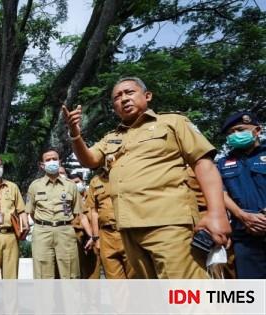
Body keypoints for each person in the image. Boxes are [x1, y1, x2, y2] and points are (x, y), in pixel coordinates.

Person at [62, 76, 231, 279]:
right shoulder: (111, 138)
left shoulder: (172, 123)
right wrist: (75, 134)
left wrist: (217, 214)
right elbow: (89, 160)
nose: (123, 99)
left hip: (168, 224)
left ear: (147, 96)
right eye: (117, 97)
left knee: (186, 299)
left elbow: (204, 165)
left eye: (129, 92)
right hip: (127, 230)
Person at [26, 148, 93, 279]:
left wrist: (91, 235)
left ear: (60, 162)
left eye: (54, 159)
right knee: (43, 274)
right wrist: (45, 223)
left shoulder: (70, 186)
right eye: (48, 160)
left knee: (70, 273)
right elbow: (32, 212)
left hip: (65, 231)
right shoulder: (35, 186)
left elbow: (79, 213)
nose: (52, 162)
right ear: (42, 165)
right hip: (42, 232)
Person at [217, 112, 266, 278]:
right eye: (230, 133)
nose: (234, 135)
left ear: (257, 130)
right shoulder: (222, 163)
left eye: (240, 129)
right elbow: (221, 194)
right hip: (245, 236)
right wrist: (243, 216)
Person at [86, 168, 134, 279]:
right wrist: (96, 238)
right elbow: (94, 211)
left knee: (135, 277)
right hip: (106, 235)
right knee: (114, 280)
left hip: (127, 233)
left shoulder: (130, 174)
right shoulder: (95, 181)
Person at [68, 172, 101, 279]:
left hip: (96, 235)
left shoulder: (91, 195)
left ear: (83, 181)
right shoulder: (70, 199)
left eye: (77, 182)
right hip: (77, 236)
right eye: (72, 184)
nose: (76, 185)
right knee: (78, 271)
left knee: (94, 272)